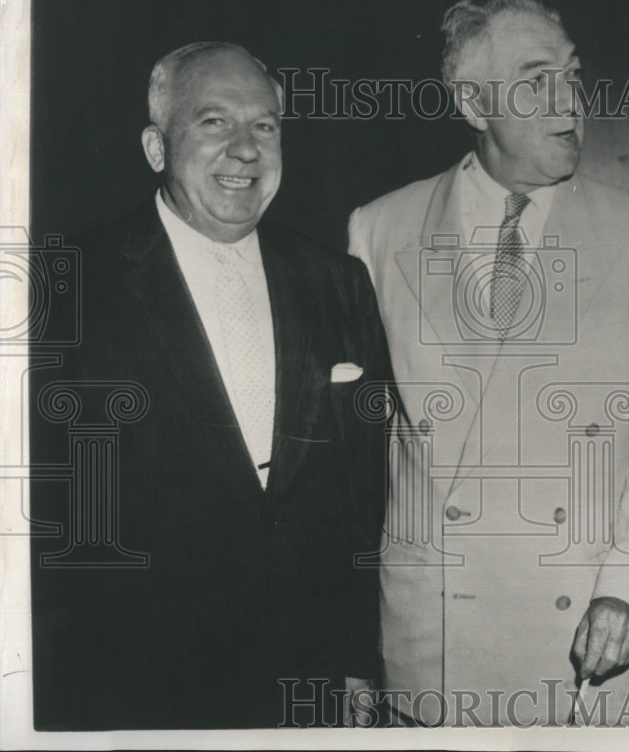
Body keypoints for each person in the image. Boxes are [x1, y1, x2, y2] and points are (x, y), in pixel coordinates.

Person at [348, 0, 629, 726]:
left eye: (573, 74)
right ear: (475, 106)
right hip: (434, 641)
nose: (570, 100)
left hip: (591, 643)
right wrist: (344, 649)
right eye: (536, 79)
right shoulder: (378, 231)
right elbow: (353, 453)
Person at [30, 42, 391, 729]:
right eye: (214, 122)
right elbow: (38, 520)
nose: (246, 149)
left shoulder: (336, 281)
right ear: (156, 147)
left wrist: (354, 660)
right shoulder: (71, 283)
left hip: (305, 683)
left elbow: (360, 492)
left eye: (265, 125)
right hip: (139, 688)